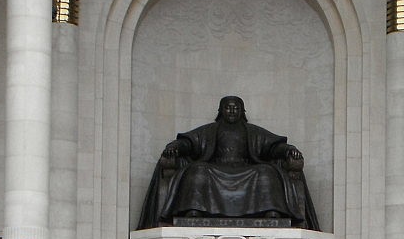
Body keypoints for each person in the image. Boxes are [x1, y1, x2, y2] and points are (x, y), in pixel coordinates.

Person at [137, 95, 320, 230]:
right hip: (215, 168)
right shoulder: (209, 130)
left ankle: (272, 210)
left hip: (246, 168)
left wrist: (288, 150)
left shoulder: (252, 131)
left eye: (236, 108)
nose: (232, 111)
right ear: (221, 111)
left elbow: (272, 147)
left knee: (266, 172)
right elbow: (189, 143)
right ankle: (194, 209)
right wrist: (174, 147)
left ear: (242, 111)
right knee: (198, 170)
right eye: (228, 108)